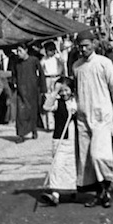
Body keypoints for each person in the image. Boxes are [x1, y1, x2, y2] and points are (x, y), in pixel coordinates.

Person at [69, 35, 113, 208]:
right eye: (80, 47)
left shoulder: (104, 63)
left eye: (86, 45)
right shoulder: (77, 66)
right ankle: (98, 193)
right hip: (82, 116)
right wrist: (74, 105)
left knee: (99, 155)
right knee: (86, 158)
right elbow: (76, 91)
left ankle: (108, 188)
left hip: (103, 116)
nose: (83, 49)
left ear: (94, 44)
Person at [41, 77, 78, 206]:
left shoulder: (76, 102)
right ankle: (55, 194)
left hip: (75, 140)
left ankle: (73, 190)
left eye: (66, 90)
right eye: (61, 91)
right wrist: (55, 91)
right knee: (57, 165)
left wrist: (76, 111)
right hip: (60, 139)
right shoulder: (57, 103)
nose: (64, 94)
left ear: (72, 90)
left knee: (72, 166)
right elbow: (46, 107)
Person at [10, 44, 42, 141]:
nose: (18, 53)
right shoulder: (17, 63)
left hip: (32, 90)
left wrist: (42, 88)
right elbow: (14, 74)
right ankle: (21, 134)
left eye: (20, 51)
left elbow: (41, 74)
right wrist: (14, 83)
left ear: (26, 50)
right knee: (20, 113)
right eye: (17, 51)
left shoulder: (34, 60)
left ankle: (33, 129)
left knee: (32, 111)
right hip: (21, 91)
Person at [39, 42, 64, 131]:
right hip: (48, 78)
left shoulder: (58, 59)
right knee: (48, 99)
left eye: (50, 50)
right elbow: (40, 70)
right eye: (47, 51)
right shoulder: (43, 60)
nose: (48, 53)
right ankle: (50, 125)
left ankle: (59, 123)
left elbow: (62, 67)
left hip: (56, 77)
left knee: (57, 99)